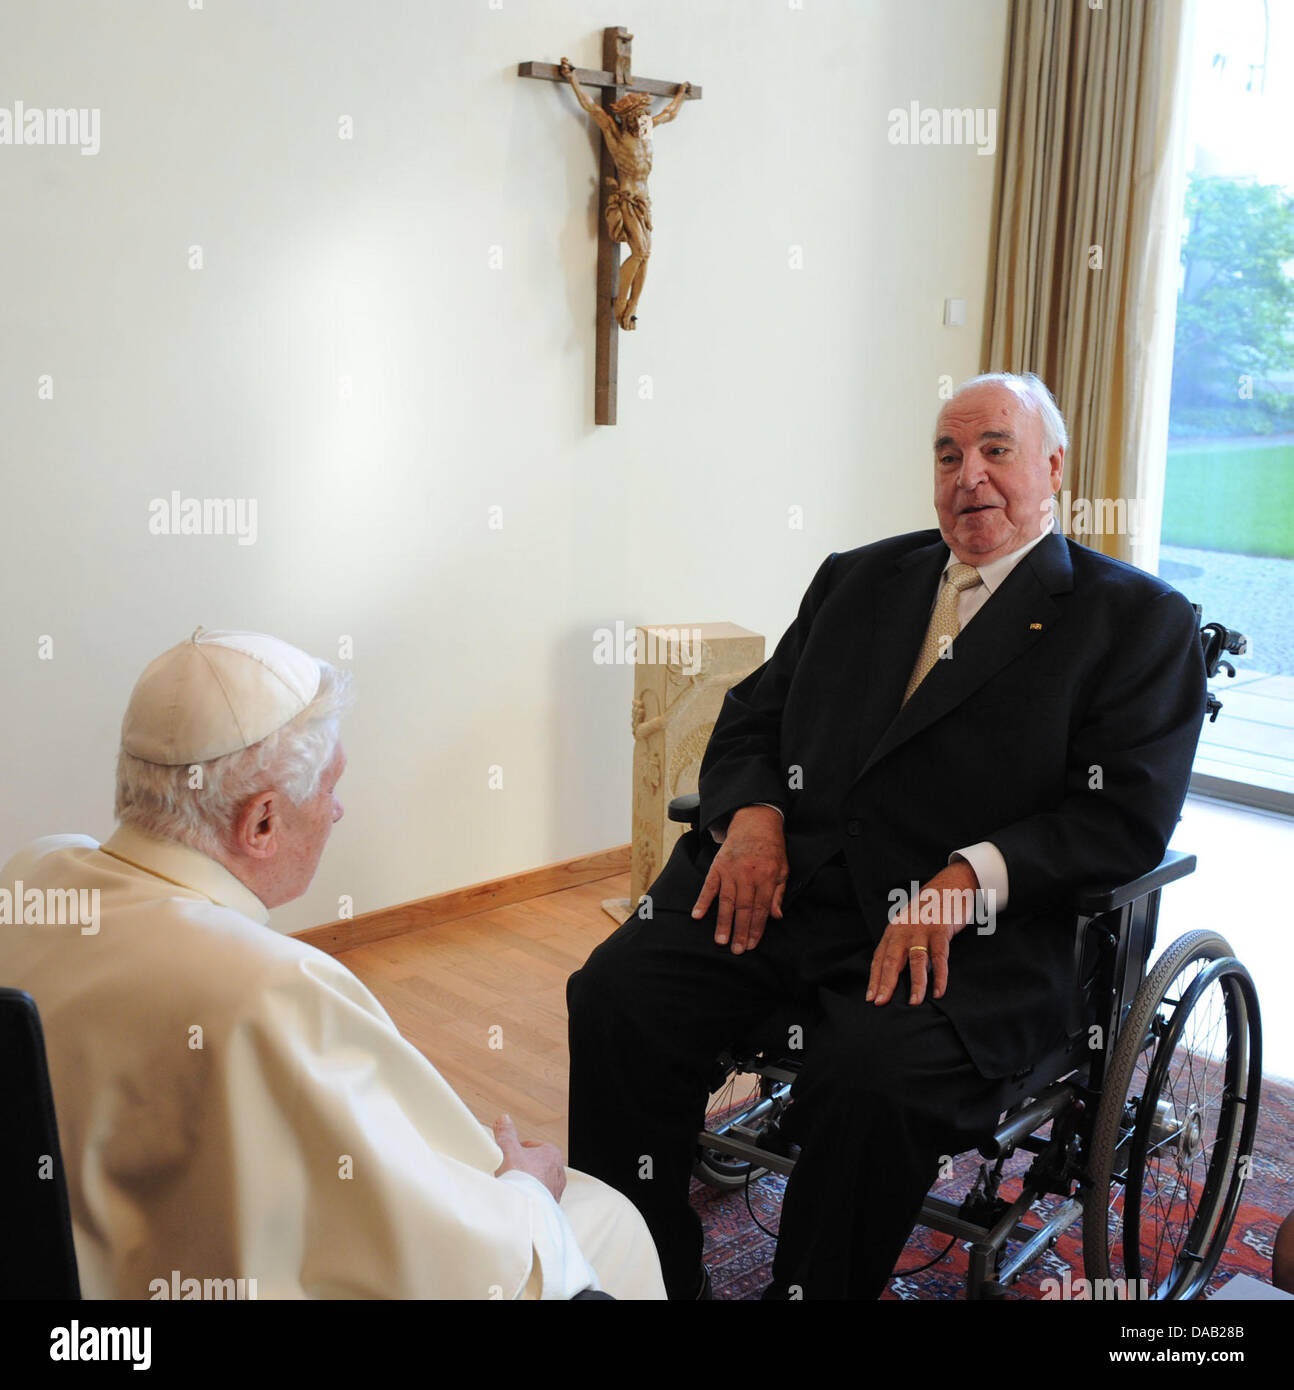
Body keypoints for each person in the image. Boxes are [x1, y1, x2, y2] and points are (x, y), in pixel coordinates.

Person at [566, 373, 1208, 1300]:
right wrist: (752, 816)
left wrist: (970, 876)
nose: (968, 476)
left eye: (996, 450)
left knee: (867, 1076)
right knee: (618, 995)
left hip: (971, 938)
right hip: (792, 894)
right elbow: (751, 721)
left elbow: (1124, 816)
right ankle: (645, 1274)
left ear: (1054, 468)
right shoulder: (859, 578)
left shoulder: (1135, 622)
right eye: (948, 455)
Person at [0, 628, 664, 1300]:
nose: (338, 810)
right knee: (608, 1220)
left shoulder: (30, 875)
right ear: (261, 822)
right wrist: (525, 1192)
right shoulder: (272, 987)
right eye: (330, 786)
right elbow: (443, 1251)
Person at [558, 56, 690, 330]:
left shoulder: (646, 131)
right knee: (640, 251)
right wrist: (572, 79)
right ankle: (619, 302)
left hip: (644, 201)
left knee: (646, 253)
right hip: (627, 200)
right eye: (639, 116)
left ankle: (633, 305)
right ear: (628, 118)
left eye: (645, 115)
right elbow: (591, 107)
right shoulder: (616, 135)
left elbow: (669, 115)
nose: (645, 120)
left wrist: (680, 96)